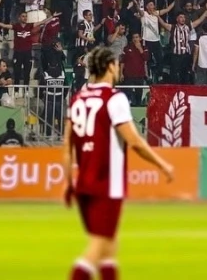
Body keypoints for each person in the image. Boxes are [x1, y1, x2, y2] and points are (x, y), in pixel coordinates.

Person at [64, 45, 175, 280]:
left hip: (84, 183)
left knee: (108, 246)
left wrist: (68, 183)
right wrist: (162, 164)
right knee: (97, 247)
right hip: (107, 183)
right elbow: (134, 140)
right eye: (116, 64)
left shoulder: (78, 99)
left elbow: (67, 146)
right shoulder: (114, 99)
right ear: (110, 67)